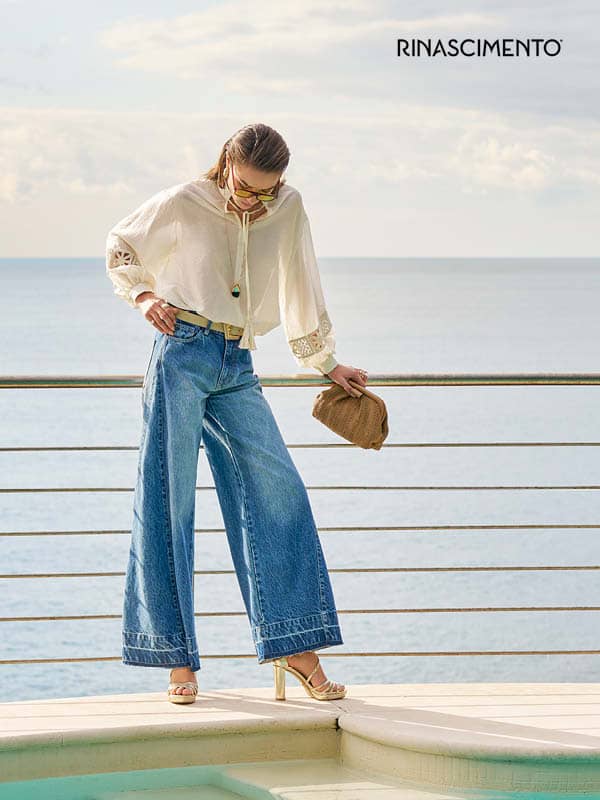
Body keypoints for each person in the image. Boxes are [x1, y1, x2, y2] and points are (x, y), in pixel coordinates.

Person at [105, 122, 368, 704]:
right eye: (246, 188)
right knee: (167, 498)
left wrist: (325, 363)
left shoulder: (287, 207)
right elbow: (121, 245)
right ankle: (176, 659)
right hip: (181, 352)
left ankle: (293, 643)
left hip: (238, 364)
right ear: (227, 162)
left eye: (266, 191)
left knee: (279, 493)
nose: (255, 201)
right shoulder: (184, 200)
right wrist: (145, 296)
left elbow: (302, 281)